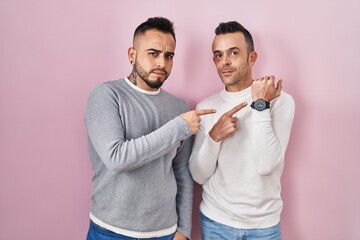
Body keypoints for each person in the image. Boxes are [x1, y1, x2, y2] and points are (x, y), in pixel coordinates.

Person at [85, 17, 215, 240]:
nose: (162, 63)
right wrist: (179, 126)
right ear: (132, 55)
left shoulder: (179, 107)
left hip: (164, 232)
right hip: (110, 231)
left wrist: (183, 229)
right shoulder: (106, 95)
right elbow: (117, 158)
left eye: (169, 56)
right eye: (153, 53)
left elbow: (181, 172)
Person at [189, 21, 295, 239]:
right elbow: (198, 175)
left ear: (252, 57)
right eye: (218, 55)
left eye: (233, 53)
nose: (224, 62)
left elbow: (266, 165)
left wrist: (261, 106)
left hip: (264, 225)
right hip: (216, 221)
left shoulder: (279, 101)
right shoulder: (206, 107)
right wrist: (213, 138)